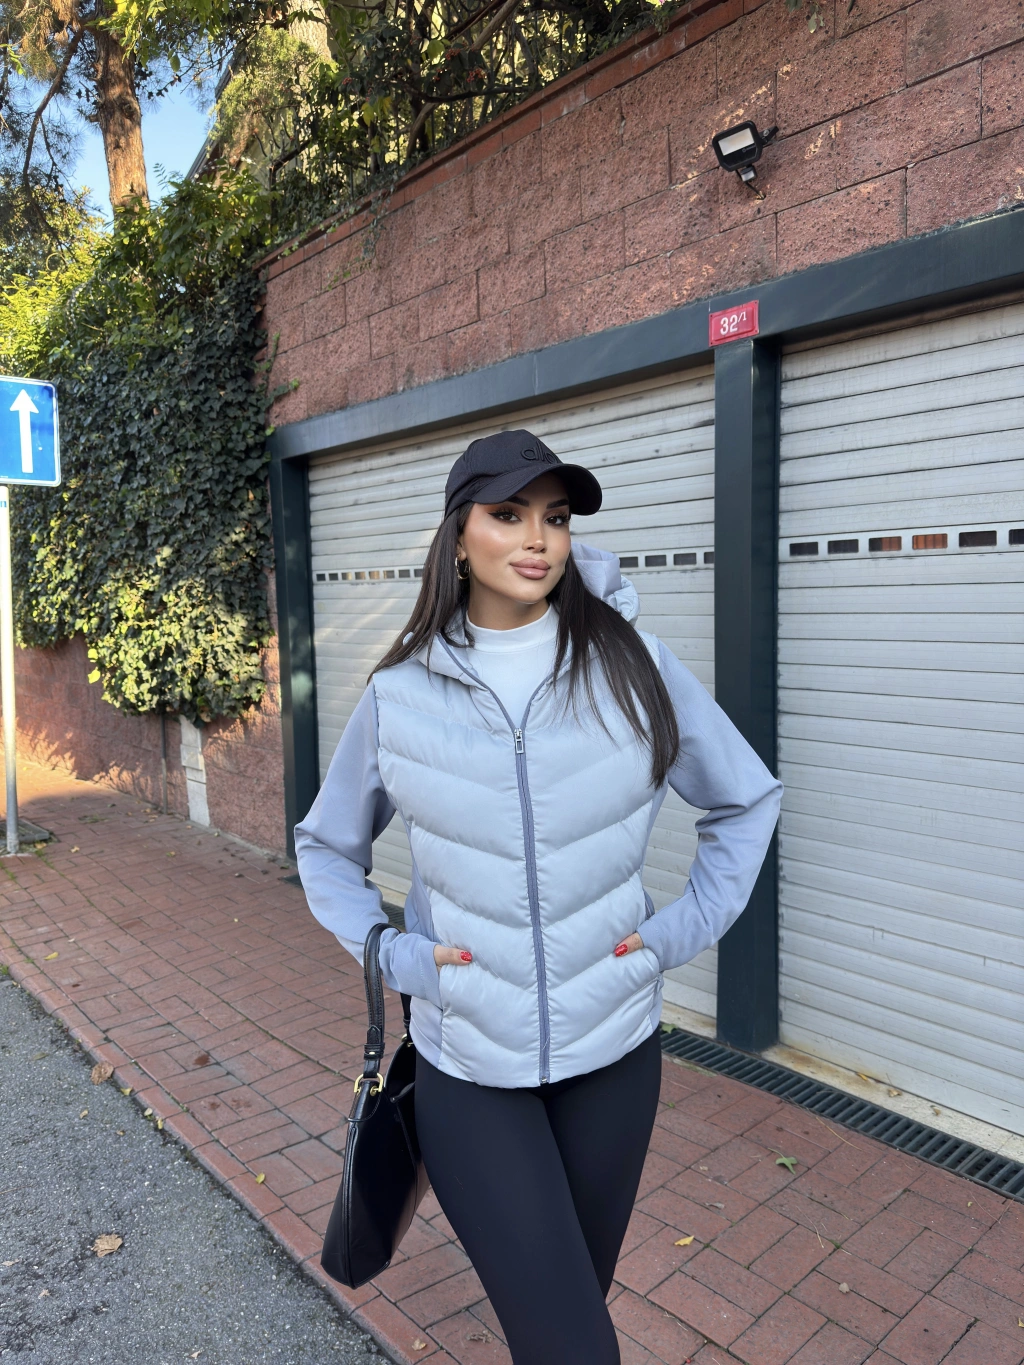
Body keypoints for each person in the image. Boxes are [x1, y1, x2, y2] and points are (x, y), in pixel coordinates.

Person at [295, 429, 782, 1364]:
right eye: (508, 514)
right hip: (470, 1063)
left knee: (564, 1320)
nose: (537, 538)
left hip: (614, 1056)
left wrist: (676, 933)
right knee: (575, 1346)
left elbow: (744, 797)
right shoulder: (401, 695)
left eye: (555, 518)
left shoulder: (631, 663)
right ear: (458, 534)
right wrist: (392, 953)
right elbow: (325, 847)